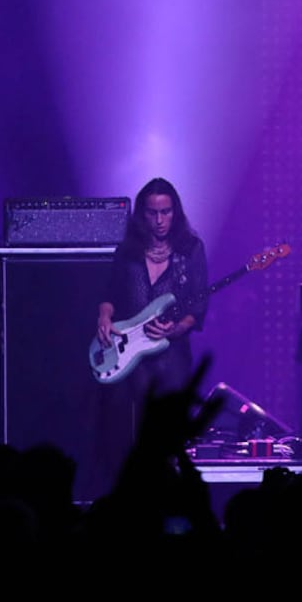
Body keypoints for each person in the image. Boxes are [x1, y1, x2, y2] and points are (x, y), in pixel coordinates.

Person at [95, 178, 210, 432]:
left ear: (175, 213)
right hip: (130, 352)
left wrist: (178, 328)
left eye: (166, 212)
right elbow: (110, 294)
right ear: (142, 215)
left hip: (172, 354)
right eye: (153, 213)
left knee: (169, 427)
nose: (159, 220)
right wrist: (104, 317)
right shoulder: (128, 252)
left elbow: (199, 304)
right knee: (133, 427)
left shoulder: (190, 250)